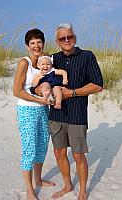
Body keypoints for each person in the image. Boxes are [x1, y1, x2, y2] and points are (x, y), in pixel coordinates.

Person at [34, 23, 103, 200]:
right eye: (62, 38)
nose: (67, 40)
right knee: (59, 152)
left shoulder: (87, 56)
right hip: (56, 115)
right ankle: (67, 186)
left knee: (78, 155)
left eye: (69, 37)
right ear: (57, 41)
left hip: (77, 115)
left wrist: (71, 93)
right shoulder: (52, 59)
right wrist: (40, 90)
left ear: (75, 38)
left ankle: (82, 192)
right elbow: (37, 80)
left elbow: (97, 85)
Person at [13, 28, 55, 200]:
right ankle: (30, 190)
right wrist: (39, 100)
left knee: (42, 145)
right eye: (32, 43)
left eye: (39, 42)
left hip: (43, 109)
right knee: (29, 149)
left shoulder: (47, 60)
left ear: (43, 43)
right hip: (27, 110)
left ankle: (38, 179)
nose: (36, 46)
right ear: (27, 46)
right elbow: (17, 91)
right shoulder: (25, 63)